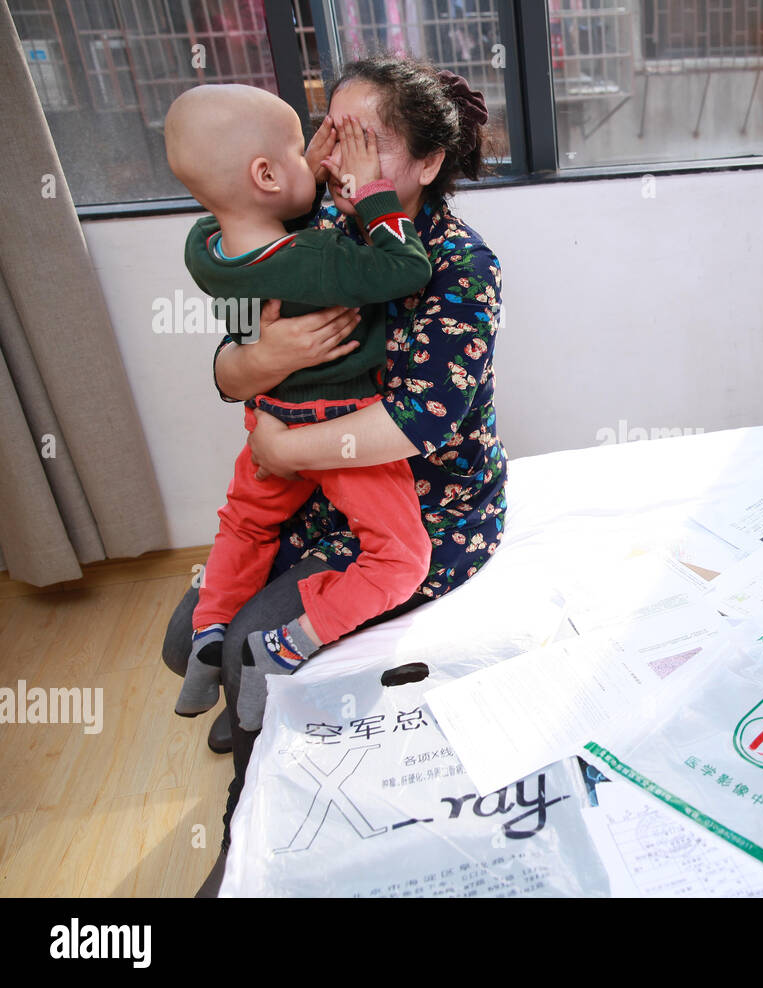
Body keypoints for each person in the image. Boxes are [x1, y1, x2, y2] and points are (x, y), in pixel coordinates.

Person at [160, 55, 508, 896]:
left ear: (425, 165)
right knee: (185, 640)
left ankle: (252, 828)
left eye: (365, 143)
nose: (337, 161)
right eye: (330, 135)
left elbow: (419, 422)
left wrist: (278, 451)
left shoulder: (458, 264)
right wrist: (256, 361)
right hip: (317, 502)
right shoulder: (312, 221)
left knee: (246, 650)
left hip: (424, 513)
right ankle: (263, 721)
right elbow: (232, 358)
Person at [164, 85, 435, 732]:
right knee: (400, 560)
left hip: (268, 422)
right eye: (308, 146)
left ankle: (213, 630)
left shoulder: (206, 251)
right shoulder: (318, 256)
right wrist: (372, 194)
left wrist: (296, 174)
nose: (335, 160)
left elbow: (240, 329)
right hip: (337, 425)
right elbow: (404, 268)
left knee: (243, 525)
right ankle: (283, 649)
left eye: (364, 147)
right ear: (264, 174)